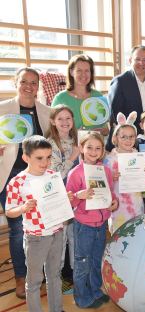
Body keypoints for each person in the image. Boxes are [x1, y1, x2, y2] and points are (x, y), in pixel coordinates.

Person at [0, 67, 52, 299]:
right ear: (16, 82)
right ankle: (21, 277)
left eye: (34, 82)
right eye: (24, 82)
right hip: (11, 177)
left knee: (40, 227)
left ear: (38, 85)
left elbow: (55, 144)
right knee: (18, 229)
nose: (29, 86)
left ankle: (38, 274)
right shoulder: (2, 110)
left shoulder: (46, 111)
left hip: (38, 177)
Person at [5, 136, 72, 312]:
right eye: (39, 158)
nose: (45, 162)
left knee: (54, 276)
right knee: (34, 281)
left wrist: (68, 199)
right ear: (26, 158)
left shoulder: (52, 175)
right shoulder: (17, 182)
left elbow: (59, 201)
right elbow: (9, 211)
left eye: (49, 157)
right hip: (36, 237)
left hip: (57, 232)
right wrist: (23, 208)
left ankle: (56, 309)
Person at [66, 132, 118, 309]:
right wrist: (79, 196)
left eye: (98, 148)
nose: (93, 151)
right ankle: (81, 297)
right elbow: (69, 201)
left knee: (97, 260)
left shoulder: (106, 171)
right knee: (83, 262)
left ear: (103, 151)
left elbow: (110, 193)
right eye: (89, 147)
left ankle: (95, 290)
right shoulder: (75, 173)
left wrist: (114, 202)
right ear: (81, 148)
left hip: (101, 224)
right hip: (84, 226)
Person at [107, 45, 145, 145]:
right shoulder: (120, 81)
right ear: (130, 60)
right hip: (128, 140)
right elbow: (115, 114)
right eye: (137, 59)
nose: (141, 63)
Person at [104, 111, 145, 234]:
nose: (128, 140)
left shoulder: (138, 156)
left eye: (131, 136)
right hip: (118, 206)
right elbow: (103, 183)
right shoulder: (109, 159)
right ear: (115, 138)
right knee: (119, 236)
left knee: (137, 234)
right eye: (123, 137)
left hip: (136, 204)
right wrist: (111, 178)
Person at [45, 104, 79, 282]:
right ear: (53, 121)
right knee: (61, 236)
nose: (65, 122)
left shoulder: (76, 140)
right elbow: (56, 175)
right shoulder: (51, 143)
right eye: (60, 119)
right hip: (59, 196)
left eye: (68, 118)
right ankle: (55, 276)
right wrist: (72, 157)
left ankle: (72, 272)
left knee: (73, 235)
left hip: (76, 195)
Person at [51, 54, 108, 135]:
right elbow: (53, 129)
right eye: (79, 70)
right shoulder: (60, 98)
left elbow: (107, 125)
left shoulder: (98, 96)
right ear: (71, 72)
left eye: (87, 71)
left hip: (97, 145)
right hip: (69, 146)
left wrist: (105, 130)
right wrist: (76, 134)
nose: (83, 74)